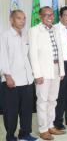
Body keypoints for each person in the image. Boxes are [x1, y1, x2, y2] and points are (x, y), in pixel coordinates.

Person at [0, 10, 38, 141]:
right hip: (12, 80)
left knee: (27, 110)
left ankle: (25, 133)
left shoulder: (26, 36)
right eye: (18, 18)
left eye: (24, 18)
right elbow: (2, 57)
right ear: (11, 20)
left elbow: (29, 56)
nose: (22, 21)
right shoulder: (5, 36)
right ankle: (10, 136)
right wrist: (8, 76)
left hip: (27, 80)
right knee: (11, 111)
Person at [29, 6, 65, 140]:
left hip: (56, 69)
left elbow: (59, 51)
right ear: (40, 16)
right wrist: (37, 74)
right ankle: (43, 129)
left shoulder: (55, 29)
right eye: (46, 15)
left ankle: (51, 125)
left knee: (53, 100)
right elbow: (32, 54)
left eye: (51, 15)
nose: (50, 17)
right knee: (42, 101)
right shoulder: (34, 31)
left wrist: (62, 70)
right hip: (43, 71)